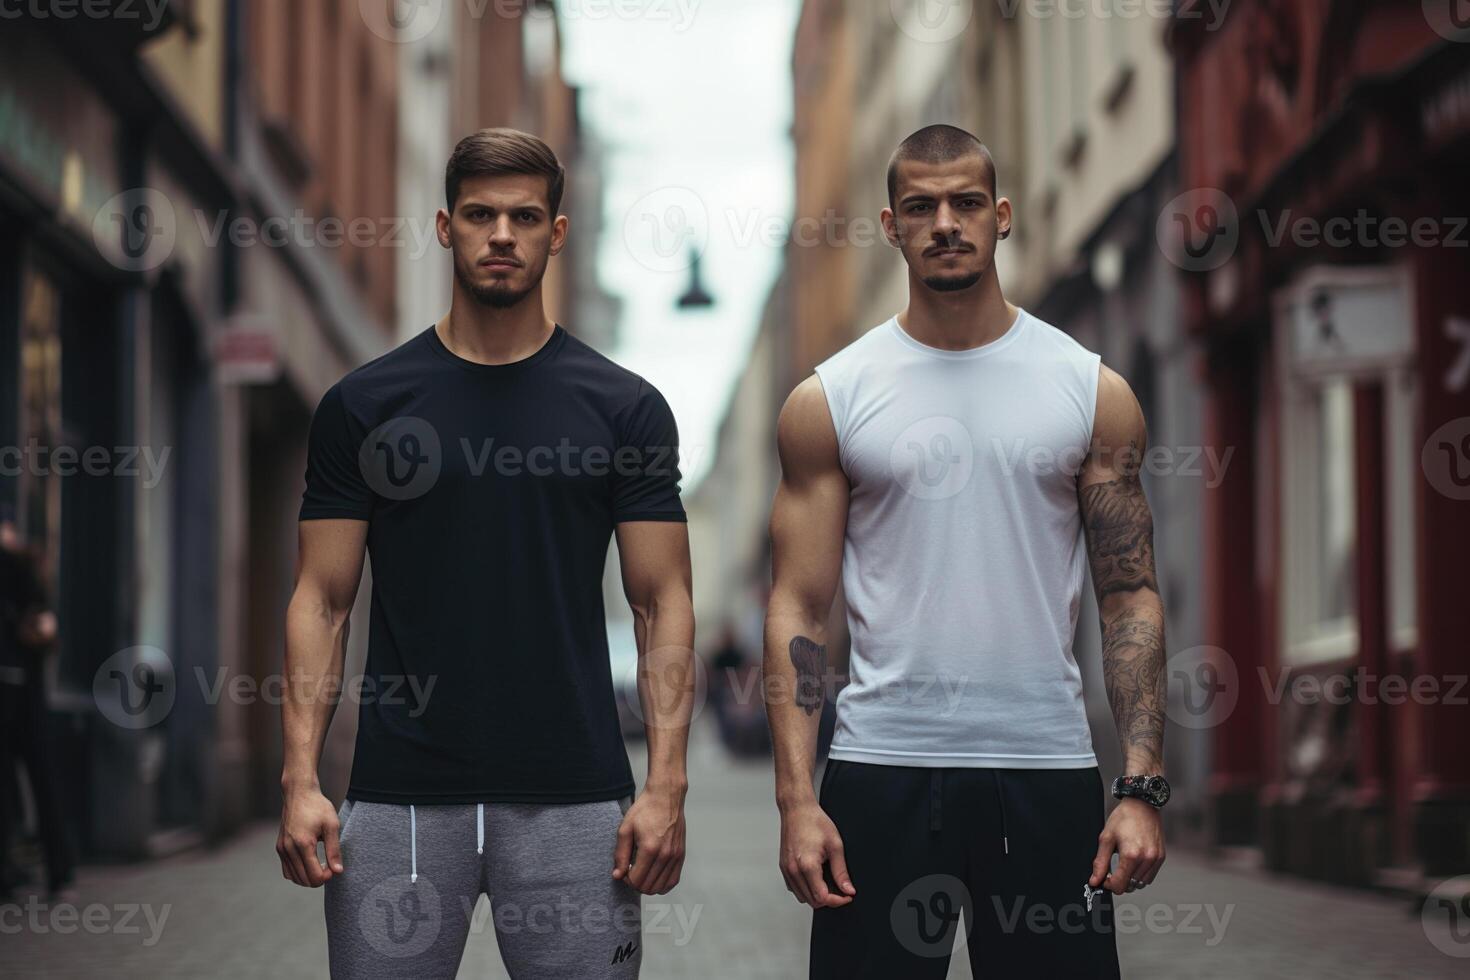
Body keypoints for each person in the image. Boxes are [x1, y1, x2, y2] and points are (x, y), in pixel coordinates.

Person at [276, 128, 696, 979]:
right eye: (479, 215)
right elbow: (322, 598)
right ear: (444, 227)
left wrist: (666, 785)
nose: (501, 235)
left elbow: (662, 604)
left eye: (524, 217)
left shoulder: (625, 409)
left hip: (575, 798)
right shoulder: (364, 405)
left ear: (558, 232)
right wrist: (299, 778)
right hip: (397, 800)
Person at [763, 125, 1169, 978]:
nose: (945, 222)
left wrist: (1139, 787)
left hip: (1044, 769)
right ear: (890, 224)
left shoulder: (1090, 390)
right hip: (881, 772)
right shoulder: (832, 399)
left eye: (966, 203)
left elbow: (1128, 594)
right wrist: (798, 799)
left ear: (1003, 216)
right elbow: (800, 606)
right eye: (921, 205)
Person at [0, 503, 75, 901]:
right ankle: (23, 871)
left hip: (23, 693)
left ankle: (55, 869)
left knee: (37, 778)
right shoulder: (21, 564)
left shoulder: (20, 567)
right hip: (21, 690)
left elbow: (46, 627)